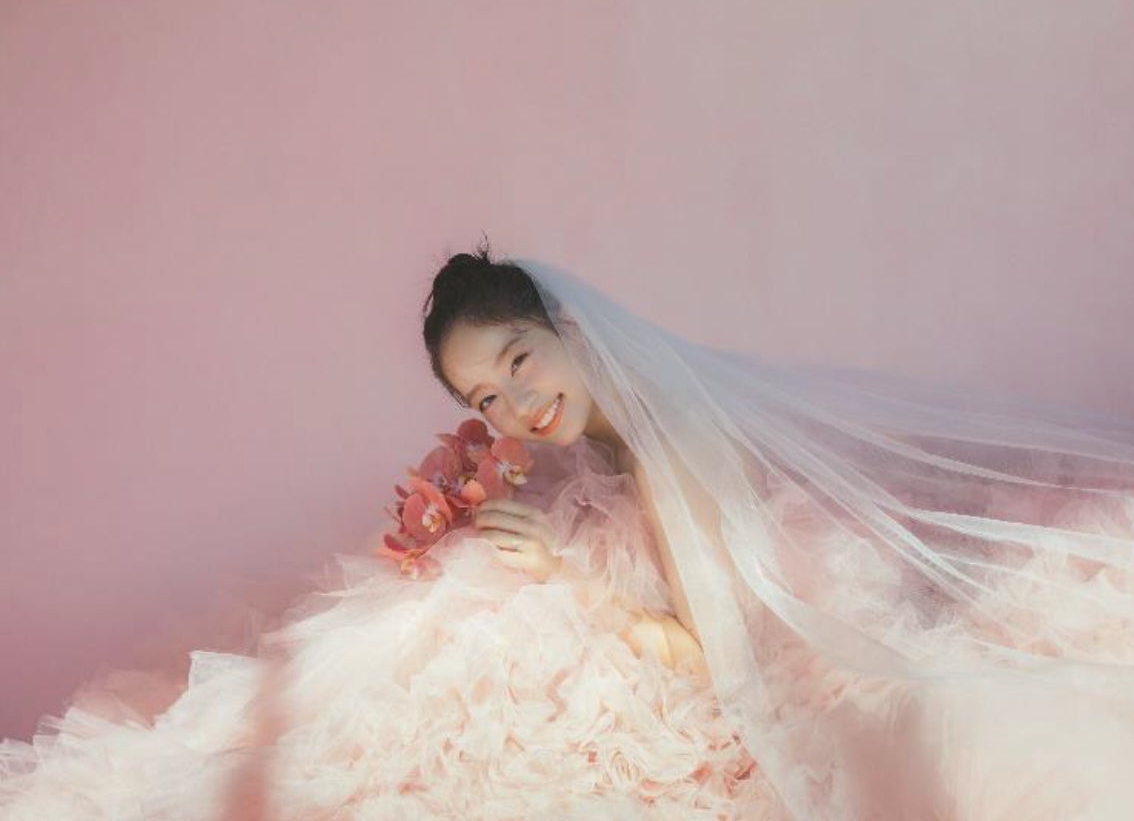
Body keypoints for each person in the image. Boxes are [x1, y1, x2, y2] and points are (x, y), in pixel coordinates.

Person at [3, 245, 1134, 820]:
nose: (516, 407)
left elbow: (714, 660)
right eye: (484, 400)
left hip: (737, 661)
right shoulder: (596, 436)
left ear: (565, 328)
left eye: (520, 362)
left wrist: (568, 579)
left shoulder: (675, 448)